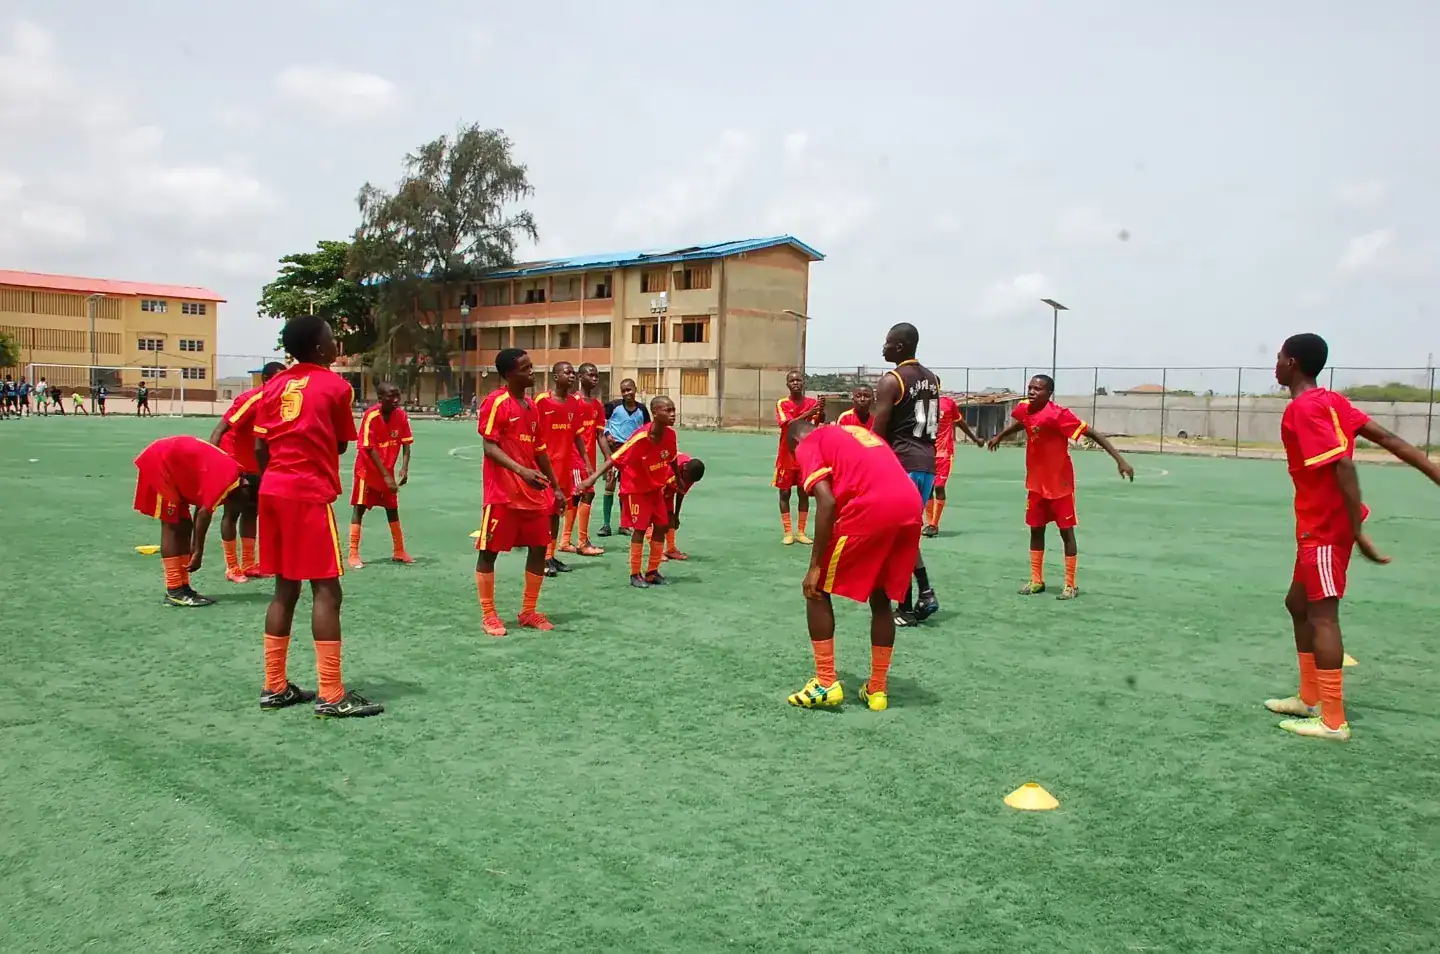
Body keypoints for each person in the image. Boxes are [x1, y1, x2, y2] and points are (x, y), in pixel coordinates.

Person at [1263, 333, 1440, 741]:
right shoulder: (1332, 402)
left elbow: (1341, 465)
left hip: (1325, 526)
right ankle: (1309, 697)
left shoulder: (1304, 409)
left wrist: (1356, 530)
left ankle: (1332, 720)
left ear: (1292, 364)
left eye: (1278, 358)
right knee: (1297, 603)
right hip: (1316, 524)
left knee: (1323, 616)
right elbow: (1390, 440)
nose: (1274, 364)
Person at [252, 315, 382, 718]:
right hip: (307, 493)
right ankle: (331, 693)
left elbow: (261, 446)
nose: (335, 342)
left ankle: (275, 686)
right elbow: (343, 444)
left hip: (271, 490)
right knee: (327, 590)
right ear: (320, 348)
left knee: (284, 588)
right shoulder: (336, 386)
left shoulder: (272, 385)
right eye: (331, 337)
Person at [785, 420, 923, 712]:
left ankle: (825, 683)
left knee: (816, 588)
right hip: (910, 507)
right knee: (882, 595)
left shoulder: (808, 442)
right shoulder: (856, 433)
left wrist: (814, 565)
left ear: (795, 442)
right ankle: (877, 690)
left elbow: (826, 501)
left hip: (873, 508)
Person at [986, 374, 1134, 599]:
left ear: (1049, 393)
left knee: (1066, 533)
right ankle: (1036, 580)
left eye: (1038, 388)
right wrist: (1000, 436)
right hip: (1036, 484)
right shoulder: (1025, 408)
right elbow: (1022, 422)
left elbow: (1091, 433)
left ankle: (1070, 584)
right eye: (1030, 387)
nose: (1033, 391)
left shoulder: (1058, 415)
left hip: (1060, 485)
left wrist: (1120, 460)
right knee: (1036, 530)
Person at [475, 348, 561, 637]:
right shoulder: (496, 402)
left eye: (531, 366)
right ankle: (489, 615)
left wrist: (557, 488)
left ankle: (528, 611)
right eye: (525, 368)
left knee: (539, 549)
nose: (532, 371)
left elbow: (539, 450)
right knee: (489, 552)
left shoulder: (531, 407)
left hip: (532, 495)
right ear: (509, 374)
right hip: (502, 494)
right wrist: (521, 471)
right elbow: (489, 446)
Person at [870, 323, 941, 626]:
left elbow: (878, 431)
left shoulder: (892, 380)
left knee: (895, 536)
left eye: (887, 343)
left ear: (900, 346)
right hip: (927, 463)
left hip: (901, 464)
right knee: (906, 534)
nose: (883, 348)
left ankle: (914, 599)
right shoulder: (932, 379)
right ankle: (916, 598)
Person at [132, 434, 248, 607]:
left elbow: (201, 506)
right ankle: (174, 590)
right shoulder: (228, 479)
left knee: (184, 524)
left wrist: (195, 544)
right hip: (162, 463)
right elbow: (204, 513)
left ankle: (183, 586)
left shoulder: (234, 474)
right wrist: (198, 552)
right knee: (172, 526)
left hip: (173, 466)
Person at [577, 396, 679, 588]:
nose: (673, 414)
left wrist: (679, 480)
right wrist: (592, 478)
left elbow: (672, 457)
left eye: (674, 410)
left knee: (661, 526)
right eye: (668, 411)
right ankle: (634, 574)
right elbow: (614, 459)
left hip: (655, 487)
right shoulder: (640, 438)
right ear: (656, 413)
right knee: (639, 529)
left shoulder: (671, 435)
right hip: (636, 488)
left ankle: (652, 571)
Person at [209, 361, 286, 583]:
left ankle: (250, 564)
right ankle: (232, 567)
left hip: (258, 464)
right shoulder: (252, 399)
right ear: (266, 380)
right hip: (233, 461)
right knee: (233, 511)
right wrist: (216, 463)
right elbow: (220, 429)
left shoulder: (282, 404)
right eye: (279, 378)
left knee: (253, 510)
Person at [346, 382, 414, 568]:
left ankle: (399, 551)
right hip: (367, 472)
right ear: (380, 398)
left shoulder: (401, 415)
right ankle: (353, 554)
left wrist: (404, 468)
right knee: (359, 509)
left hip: (388, 472)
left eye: (398, 396)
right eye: (391, 397)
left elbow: (406, 443)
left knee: (392, 509)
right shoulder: (371, 416)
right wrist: (385, 476)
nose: (396, 400)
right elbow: (368, 448)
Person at [534, 362, 591, 576]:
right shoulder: (542, 401)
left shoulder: (574, 404)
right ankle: (540, 558)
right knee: (543, 514)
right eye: (567, 372)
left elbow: (577, 435)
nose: (572, 375)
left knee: (557, 512)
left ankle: (550, 555)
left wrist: (586, 461)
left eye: (572, 372)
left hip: (565, 469)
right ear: (555, 377)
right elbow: (532, 430)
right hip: (545, 468)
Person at [560, 361, 607, 555]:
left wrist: (609, 459)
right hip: (575, 459)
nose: (594, 379)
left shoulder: (597, 405)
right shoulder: (574, 401)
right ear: (580, 378)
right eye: (590, 375)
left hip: (589, 460)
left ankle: (565, 541)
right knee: (586, 494)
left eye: (596, 375)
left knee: (576, 497)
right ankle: (582, 542)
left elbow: (600, 435)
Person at [774, 370, 824, 545]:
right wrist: (810, 413)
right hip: (786, 454)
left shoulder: (811, 403)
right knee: (784, 492)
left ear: (803, 383)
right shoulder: (782, 403)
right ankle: (788, 532)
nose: (796, 383)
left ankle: (801, 532)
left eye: (799, 380)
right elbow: (787, 423)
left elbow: (816, 423)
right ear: (788, 384)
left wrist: (820, 411)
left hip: (805, 455)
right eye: (792, 380)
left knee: (803, 492)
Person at [596, 378, 650, 537]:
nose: (627, 393)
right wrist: (607, 434)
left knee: (626, 490)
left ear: (635, 389)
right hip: (615, 451)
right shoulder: (613, 406)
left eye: (629, 390)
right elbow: (601, 422)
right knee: (609, 486)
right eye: (624, 391)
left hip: (632, 453)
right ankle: (606, 525)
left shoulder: (642, 410)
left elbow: (647, 429)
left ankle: (624, 524)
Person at [924, 393, 983, 537]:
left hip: (944, 453)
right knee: (928, 488)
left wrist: (974, 439)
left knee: (939, 486)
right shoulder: (919, 404)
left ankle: (934, 524)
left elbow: (960, 422)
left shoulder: (948, 403)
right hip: (925, 453)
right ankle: (929, 523)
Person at [659, 453, 706, 560]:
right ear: (684, 470)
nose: (688, 482)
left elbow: (681, 493)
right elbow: (658, 494)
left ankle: (670, 549)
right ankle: (657, 551)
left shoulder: (691, 475)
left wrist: (676, 516)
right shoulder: (670, 470)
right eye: (688, 480)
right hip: (655, 486)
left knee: (670, 517)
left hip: (669, 488)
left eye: (691, 481)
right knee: (655, 519)